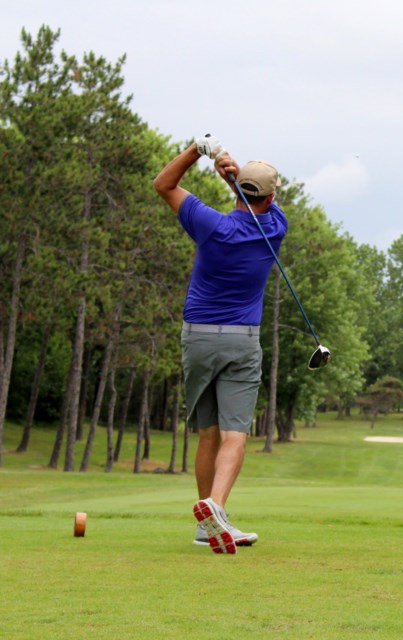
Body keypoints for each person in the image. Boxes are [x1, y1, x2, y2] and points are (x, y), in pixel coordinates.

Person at [153, 134, 287, 554]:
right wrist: (234, 178)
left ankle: (204, 528)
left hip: (198, 337)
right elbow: (258, 203)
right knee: (234, 434)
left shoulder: (209, 224)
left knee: (208, 432)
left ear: (240, 191)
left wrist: (197, 150)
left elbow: (164, 184)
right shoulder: (275, 228)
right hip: (241, 343)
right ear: (272, 194)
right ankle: (215, 506)